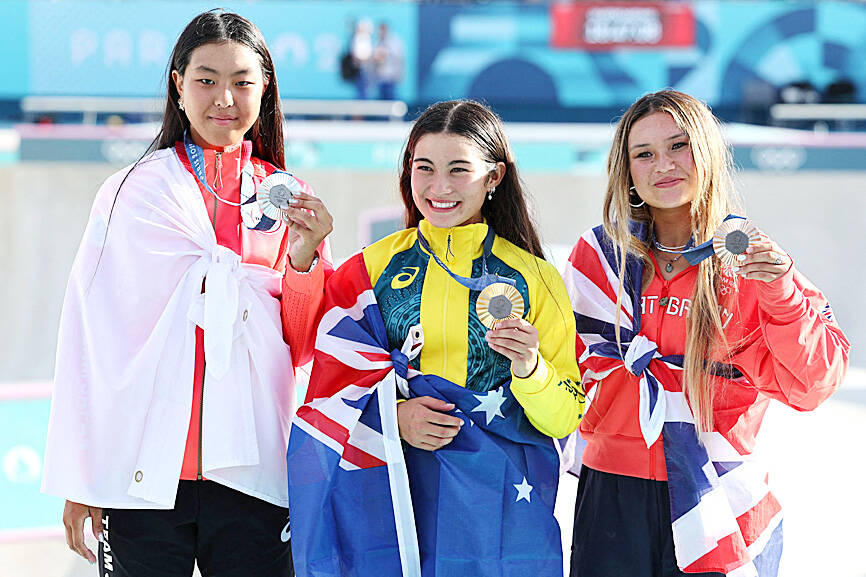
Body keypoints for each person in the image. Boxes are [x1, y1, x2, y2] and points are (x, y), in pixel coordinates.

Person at [42, 10, 333, 577]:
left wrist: (305, 259)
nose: (224, 98)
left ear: (265, 88)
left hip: (254, 470)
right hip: (141, 471)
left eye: (242, 81)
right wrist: (83, 477)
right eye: (206, 80)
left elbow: (303, 345)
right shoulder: (133, 192)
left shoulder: (289, 198)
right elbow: (90, 339)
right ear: (178, 85)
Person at [286, 100, 584, 576]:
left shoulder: (537, 279)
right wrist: (393, 417)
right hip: (394, 493)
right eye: (424, 168)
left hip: (499, 507)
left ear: (494, 177)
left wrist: (531, 370)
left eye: (458, 170)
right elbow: (327, 387)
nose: (439, 187)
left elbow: (565, 416)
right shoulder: (370, 269)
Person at [563, 89, 850, 577]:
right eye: (644, 154)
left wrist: (781, 293)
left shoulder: (750, 260)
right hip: (614, 493)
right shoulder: (600, 258)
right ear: (626, 170)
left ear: (708, 151)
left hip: (719, 493)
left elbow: (813, 385)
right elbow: (564, 372)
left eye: (679, 146)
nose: (663, 165)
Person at [373, 21, 404, 101]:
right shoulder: (378, 42)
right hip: (381, 76)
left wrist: (399, 73)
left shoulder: (394, 42)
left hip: (391, 75)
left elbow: (399, 59)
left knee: (391, 98)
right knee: (382, 100)